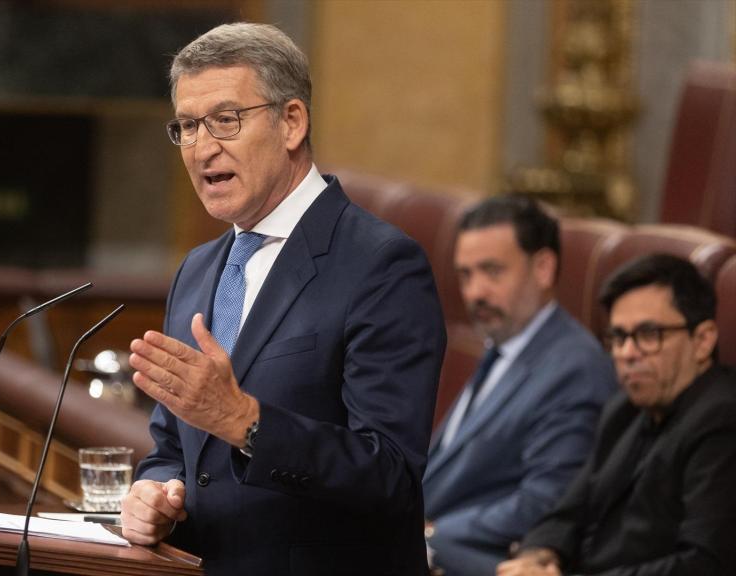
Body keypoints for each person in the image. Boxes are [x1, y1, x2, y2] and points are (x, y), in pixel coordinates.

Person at [119, 22, 446, 575]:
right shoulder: (197, 270)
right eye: (188, 127)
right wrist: (152, 495)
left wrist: (247, 421)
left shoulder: (382, 265)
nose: (202, 147)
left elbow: (390, 475)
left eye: (225, 120)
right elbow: (172, 447)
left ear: (291, 122)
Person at [498, 254, 736, 576]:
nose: (627, 353)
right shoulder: (624, 409)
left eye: (649, 334)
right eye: (618, 337)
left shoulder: (722, 419)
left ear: (703, 340)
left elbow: (704, 564)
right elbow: (568, 512)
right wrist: (539, 556)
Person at [423, 196, 616, 576]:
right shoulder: (504, 346)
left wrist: (431, 532)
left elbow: (546, 502)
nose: (475, 292)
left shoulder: (575, 368)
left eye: (492, 271)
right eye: (465, 275)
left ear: (543, 268)